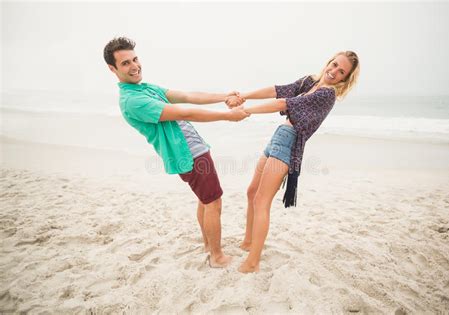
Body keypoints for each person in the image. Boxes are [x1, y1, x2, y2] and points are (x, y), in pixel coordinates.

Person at [103, 37, 248, 268]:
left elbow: (188, 96)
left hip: (194, 149)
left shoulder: (145, 88)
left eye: (135, 59)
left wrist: (223, 96)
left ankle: (209, 247)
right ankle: (217, 257)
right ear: (113, 69)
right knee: (213, 202)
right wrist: (228, 116)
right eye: (125, 63)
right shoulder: (133, 100)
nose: (134, 66)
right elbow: (185, 112)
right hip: (188, 154)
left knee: (206, 199)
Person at [226, 51, 360, 273]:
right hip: (278, 136)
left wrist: (244, 110)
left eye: (341, 72)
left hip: (289, 144)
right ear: (329, 61)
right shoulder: (310, 82)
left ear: (345, 80)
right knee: (251, 192)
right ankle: (248, 242)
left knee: (262, 201)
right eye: (334, 64)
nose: (334, 71)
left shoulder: (326, 95)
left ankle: (253, 262)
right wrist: (244, 95)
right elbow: (278, 90)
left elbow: (282, 103)